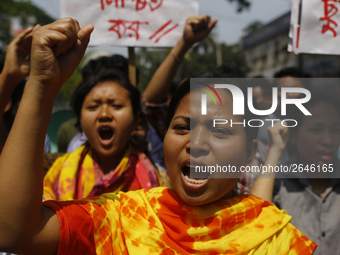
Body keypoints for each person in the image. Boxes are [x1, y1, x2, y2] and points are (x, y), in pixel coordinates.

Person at [0, 18, 316, 254]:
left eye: (220, 131)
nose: (196, 143)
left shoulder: (275, 239)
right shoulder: (121, 217)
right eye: (182, 127)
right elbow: (12, 232)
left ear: (250, 154)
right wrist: (41, 85)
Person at [251, 90, 340, 255]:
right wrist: (276, 149)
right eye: (316, 129)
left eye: (335, 130)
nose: (327, 140)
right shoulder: (279, 184)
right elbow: (255, 222)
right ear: (293, 136)